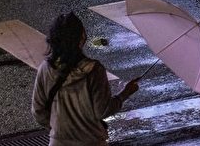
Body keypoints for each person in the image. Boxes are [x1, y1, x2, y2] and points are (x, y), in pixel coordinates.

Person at [31, 12, 139, 146]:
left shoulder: (46, 68)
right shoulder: (94, 70)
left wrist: (59, 129)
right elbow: (102, 110)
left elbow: (38, 111)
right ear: (81, 38)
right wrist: (125, 93)